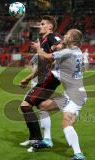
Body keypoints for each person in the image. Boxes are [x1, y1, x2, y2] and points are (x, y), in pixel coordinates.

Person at [31, 29, 87, 160]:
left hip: (75, 96)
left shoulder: (67, 52)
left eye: (67, 34)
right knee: (43, 106)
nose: (65, 35)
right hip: (71, 93)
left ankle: (79, 155)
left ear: (72, 38)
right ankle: (47, 140)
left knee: (66, 124)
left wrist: (39, 48)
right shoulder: (77, 50)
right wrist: (58, 45)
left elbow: (48, 57)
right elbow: (64, 47)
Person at [19, 16, 61, 151]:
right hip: (45, 77)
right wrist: (28, 78)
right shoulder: (43, 41)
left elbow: (60, 47)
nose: (40, 26)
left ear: (50, 27)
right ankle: (38, 138)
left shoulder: (51, 37)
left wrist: (54, 58)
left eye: (42, 24)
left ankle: (37, 138)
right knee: (41, 106)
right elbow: (42, 65)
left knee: (25, 105)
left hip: (50, 78)